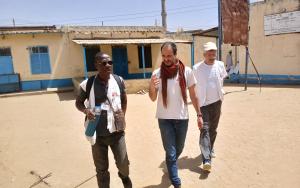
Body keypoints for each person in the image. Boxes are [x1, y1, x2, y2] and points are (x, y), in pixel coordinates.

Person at [149, 42, 203, 188]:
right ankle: (176, 182)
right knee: (171, 152)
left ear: (175, 54)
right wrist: (152, 87)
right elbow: (153, 98)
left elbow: (193, 94)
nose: (166, 59)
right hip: (164, 119)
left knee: (178, 148)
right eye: (164, 56)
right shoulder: (156, 74)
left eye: (169, 56)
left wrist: (199, 114)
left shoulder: (187, 72)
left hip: (182, 118)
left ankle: (169, 164)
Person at [75, 52, 132, 188]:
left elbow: (124, 100)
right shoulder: (87, 84)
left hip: (117, 133)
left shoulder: (118, 80)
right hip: (97, 135)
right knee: (101, 170)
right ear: (96, 65)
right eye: (103, 63)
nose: (108, 65)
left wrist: (121, 116)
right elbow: (78, 102)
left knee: (123, 164)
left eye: (110, 62)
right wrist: (86, 110)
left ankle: (124, 176)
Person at [193, 42, 227, 172]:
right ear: (204, 54)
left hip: (217, 102)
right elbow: (193, 86)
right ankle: (206, 160)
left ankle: (210, 147)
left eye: (214, 51)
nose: (212, 54)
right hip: (203, 104)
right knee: (205, 129)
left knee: (213, 129)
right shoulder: (197, 68)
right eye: (209, 52)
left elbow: (222, 79)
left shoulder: (220, 65)